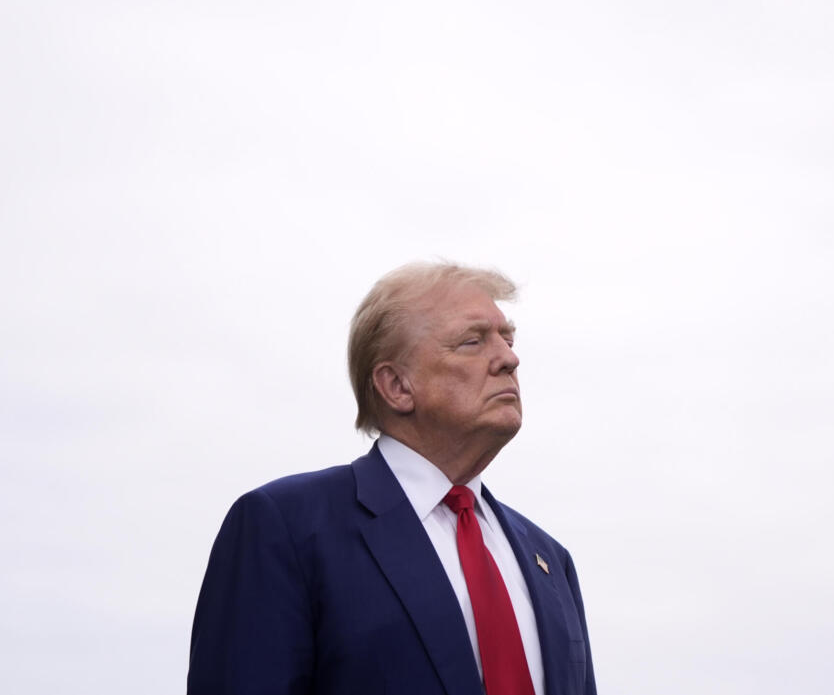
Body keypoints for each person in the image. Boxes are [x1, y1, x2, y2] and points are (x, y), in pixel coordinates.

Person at [187, 262, 597, 695]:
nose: (509, 359)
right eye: (472, 341)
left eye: (507, 339)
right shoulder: (285, 528)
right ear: (397, 386)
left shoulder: (551, 560)